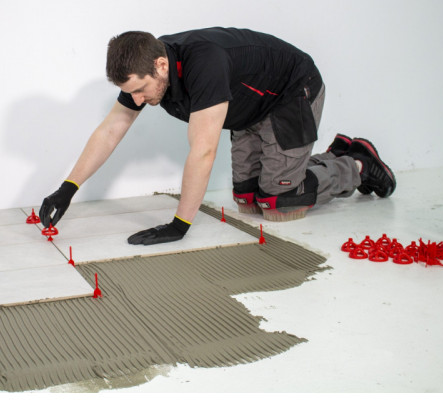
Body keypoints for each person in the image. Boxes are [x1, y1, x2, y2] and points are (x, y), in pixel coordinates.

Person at [39, 27, 395, 246]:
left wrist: (180, 224)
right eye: (130, 92)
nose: (137, 100)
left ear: (160, 65)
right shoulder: (146, 69)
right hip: (250, 108)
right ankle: (332, 156)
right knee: (247, 200)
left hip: (291, 92)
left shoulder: (203, 64)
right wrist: (67, 188)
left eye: (140, 90)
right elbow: (110, 130)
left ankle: (357, 164)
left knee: (279, 202)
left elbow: (204, 151)